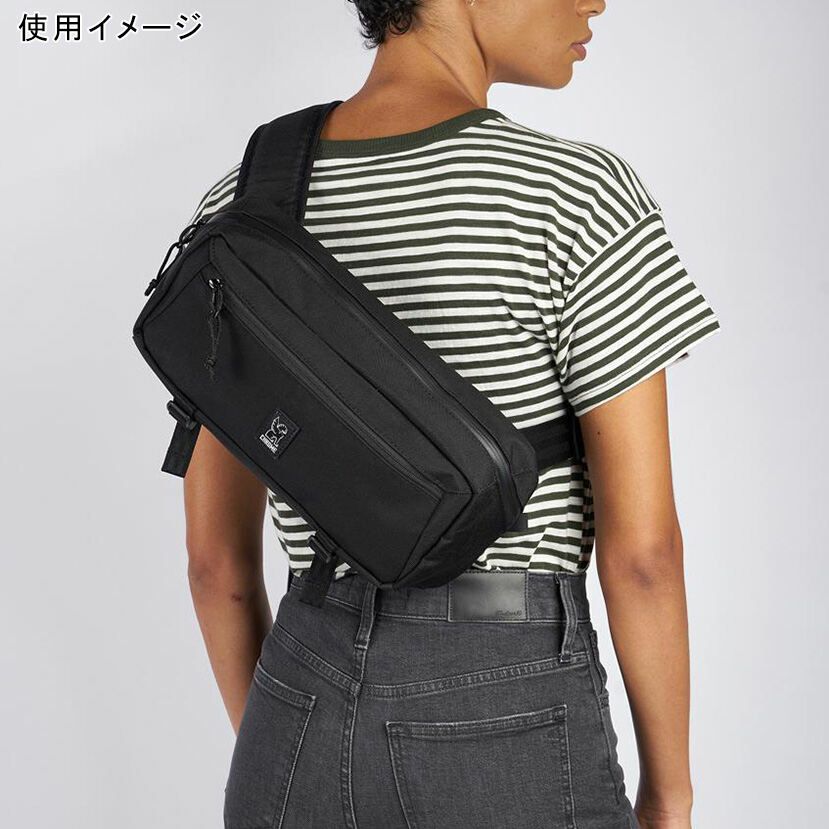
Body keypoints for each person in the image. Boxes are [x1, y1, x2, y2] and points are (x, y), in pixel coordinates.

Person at [181, 2, 721, 827]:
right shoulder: (575, 196)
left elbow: (213, 562)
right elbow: (643, 555)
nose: (595, 1)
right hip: (500, 676)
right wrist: (669, 794)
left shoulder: (240, 206)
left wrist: (286, 737)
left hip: (297, 684)